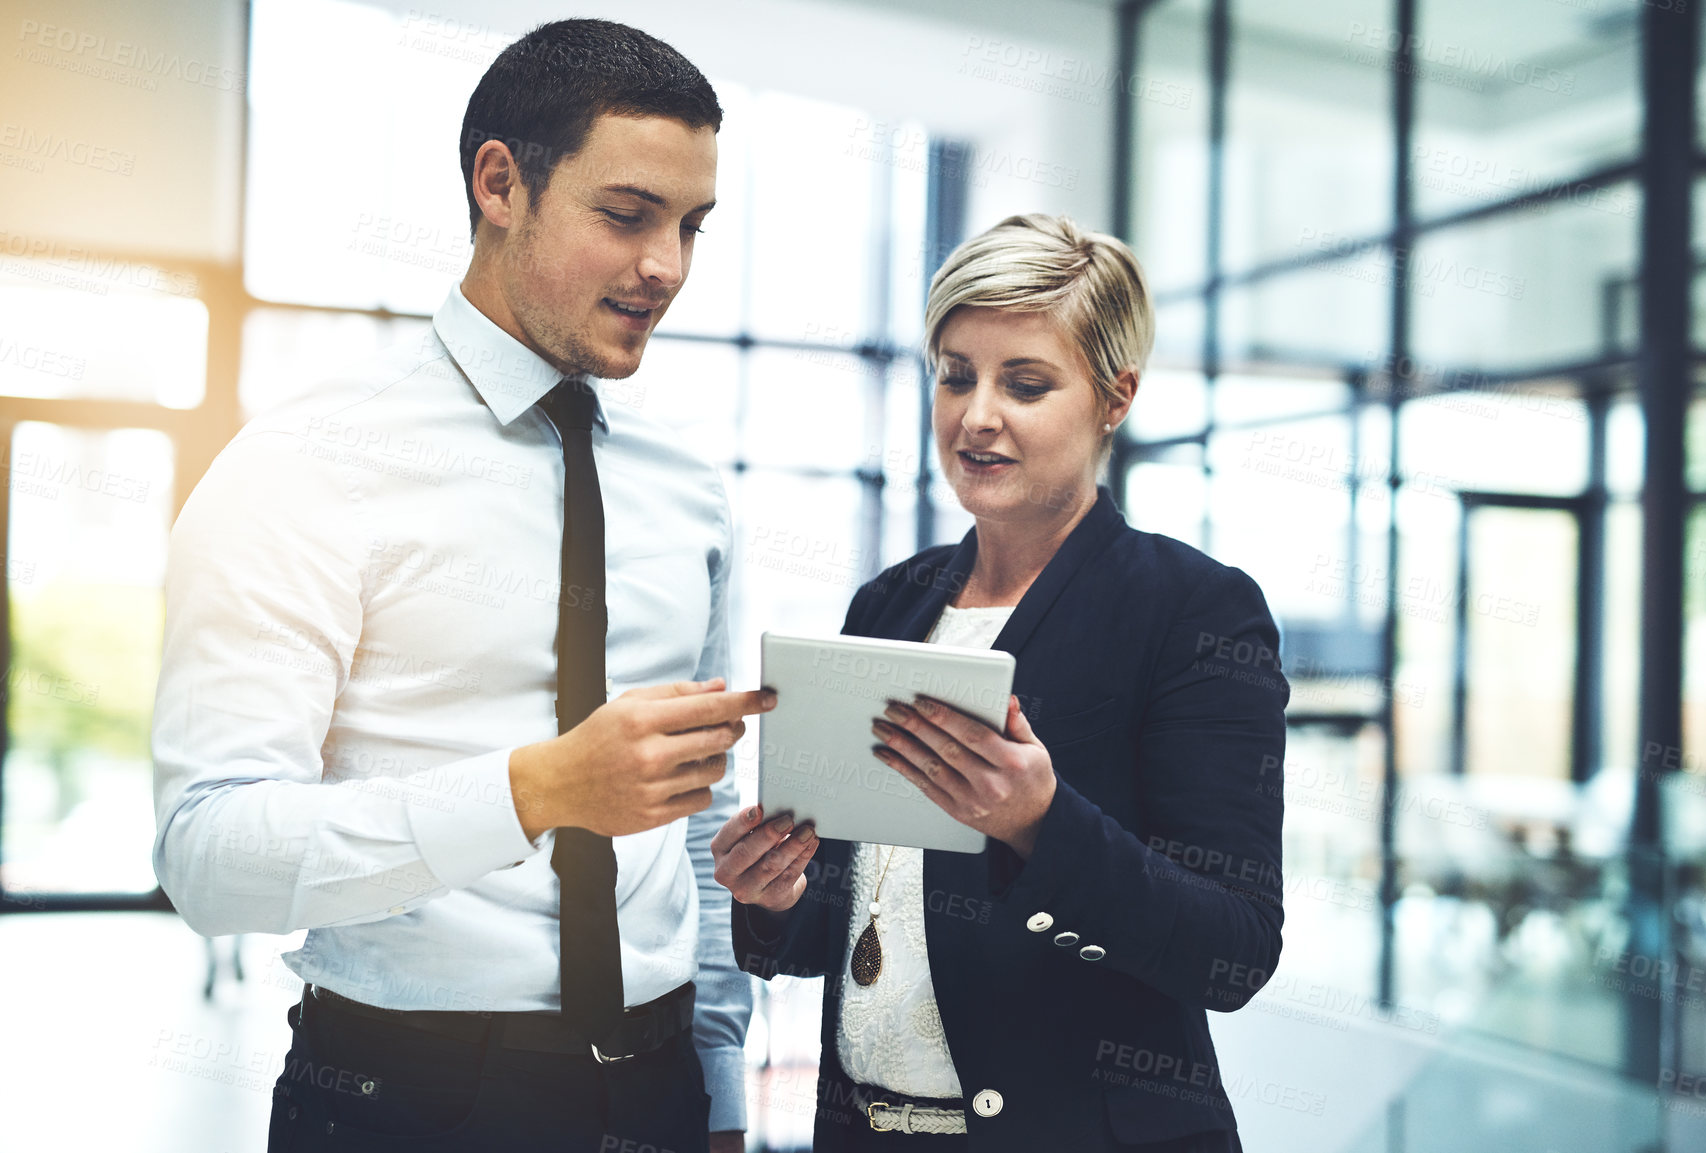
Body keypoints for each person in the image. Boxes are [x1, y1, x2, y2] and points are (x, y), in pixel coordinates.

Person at [151, 19, 769, 1153]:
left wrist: (720, 1079)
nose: (667, 267)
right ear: (500, 182)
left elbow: (696, 820)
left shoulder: (694, 490)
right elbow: (208, 855)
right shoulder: (308, 467)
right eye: (626, 215)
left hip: (663, 1088)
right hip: (405, 1096)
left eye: (690, 226)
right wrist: (533, 791)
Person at [712, 215, 1287, 1152]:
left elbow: (1233, 948)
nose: (977, 414)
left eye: (1024, 383)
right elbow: (847, 923)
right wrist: (776, 893)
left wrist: (1040, 823)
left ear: (1114, 397)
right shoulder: (890, 603)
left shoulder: (1194, 613)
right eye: (955, 375)